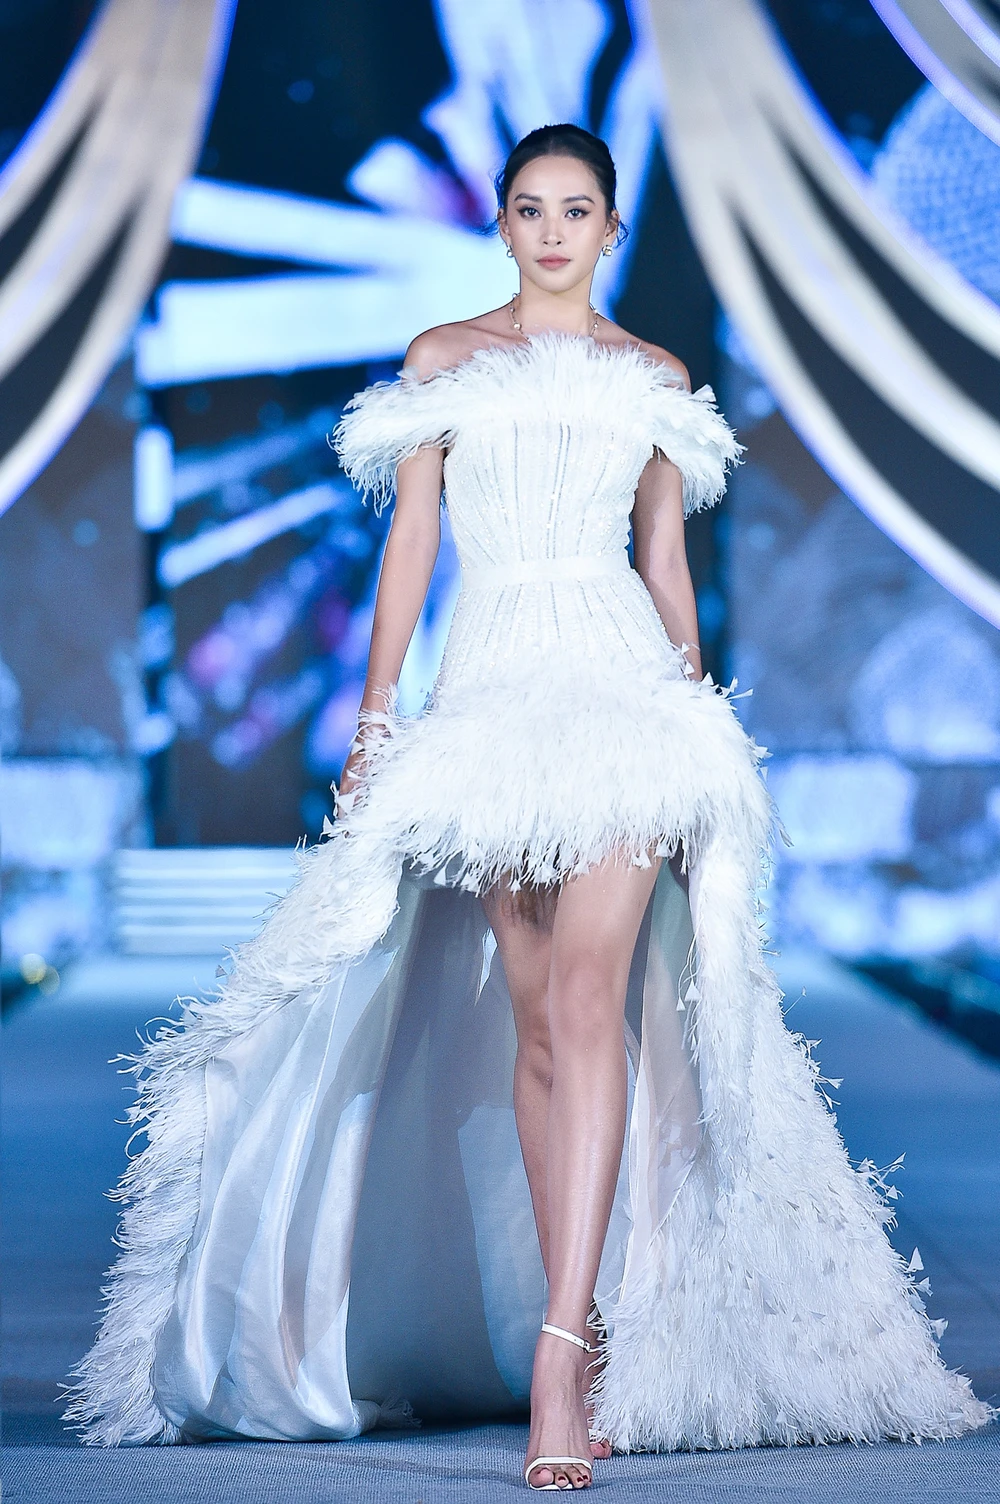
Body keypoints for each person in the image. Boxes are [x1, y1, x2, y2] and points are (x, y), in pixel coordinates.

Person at [67, 125, 988, 1490]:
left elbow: (665, 562)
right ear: (501, 223)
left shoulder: (654, 378)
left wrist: (698, 720)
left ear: (611, 228)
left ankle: (560, 1357)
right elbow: (412, 543)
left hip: (620, 694)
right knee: (540, 1012)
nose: (553, 230)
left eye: (576, 210)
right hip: (490, 696)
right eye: (530, 208)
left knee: (591, 996)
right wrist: (375, 716)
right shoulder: (443, 361)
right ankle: (584, 1319)